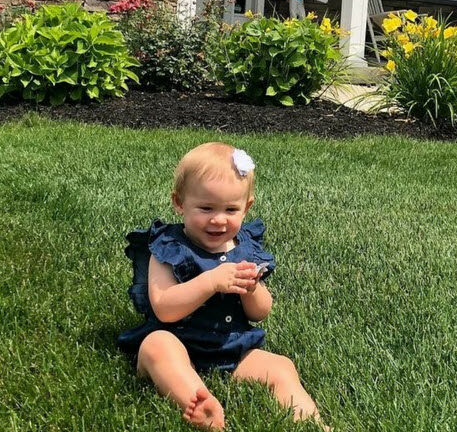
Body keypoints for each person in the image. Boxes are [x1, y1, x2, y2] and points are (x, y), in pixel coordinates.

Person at [118, 142, 327, 430]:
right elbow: (164, 308)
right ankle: (200, 404)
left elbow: (260, 313)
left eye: (231, 209)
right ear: (179, 203)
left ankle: (311, 423)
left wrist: (252, 290)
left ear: (247, 207)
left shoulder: (246, 248)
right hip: (180, 344)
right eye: (206, 208)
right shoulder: (168, 247)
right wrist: (211, 281)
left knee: (281, 367)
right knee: (157, 347)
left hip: (230, 347)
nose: (218, 219)